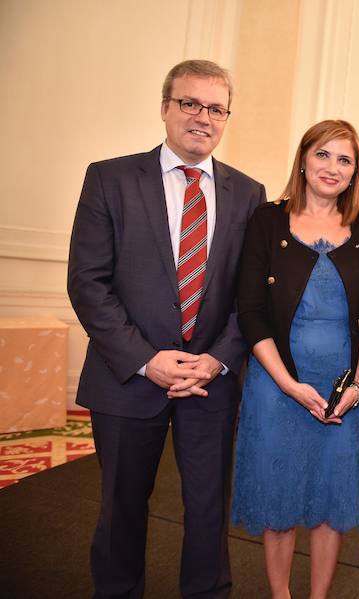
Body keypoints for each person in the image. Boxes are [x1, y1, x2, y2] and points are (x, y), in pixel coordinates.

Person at [67, 60, 266, 597]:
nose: (202, 117)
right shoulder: (108, 178)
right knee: (121, 506)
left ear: (227, 118)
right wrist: (146, 359)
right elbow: (88, 283)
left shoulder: (249, 193)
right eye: (190, 103)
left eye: (215, 108)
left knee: (207, 510)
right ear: (165, 108)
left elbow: (250, 294)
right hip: (128, 378)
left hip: (210, 381)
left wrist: (218, 357)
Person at [231, 119, 359, 599]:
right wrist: (289, 386)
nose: (332, 168)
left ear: (355, 171)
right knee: (278, 498)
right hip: (277, 386)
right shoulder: (267, 220)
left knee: (329, 500)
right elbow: (250, 312)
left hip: (345, 388)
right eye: (323, 154)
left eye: (345, 159)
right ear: (303, 158)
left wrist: (358, 388)